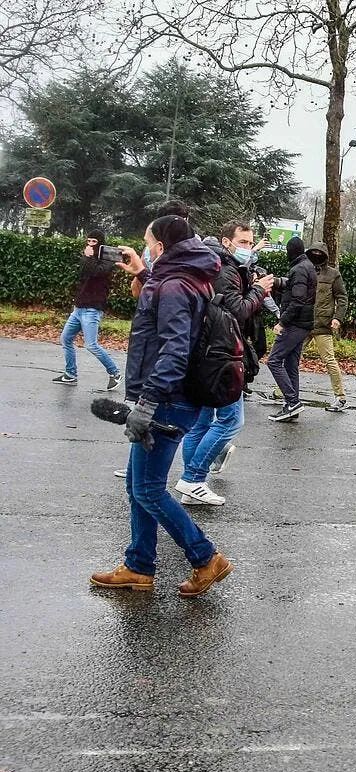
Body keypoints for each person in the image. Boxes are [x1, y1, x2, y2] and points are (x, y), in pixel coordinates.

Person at [89, 214, 233, 597]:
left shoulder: (172, 285)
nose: (145, 247)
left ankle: (205, 558)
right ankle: (138, 565)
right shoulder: (188, 278)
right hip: (174, 397)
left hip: (167, 399)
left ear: (161, 247)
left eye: (147, 241)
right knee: (139, 486)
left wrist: (148, 403)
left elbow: (174, 349)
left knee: (149, 489)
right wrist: (142, 272)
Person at [175, 222, 274, 506]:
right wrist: (258, 290)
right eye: (242, 242)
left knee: (203, 422)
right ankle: (193, 478)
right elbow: (238, 311)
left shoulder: (214, 264)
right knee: (231, 421)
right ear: (226, 242)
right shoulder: (225, 269)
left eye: (250, 242)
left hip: (207, 352)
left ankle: (191, 486)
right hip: (222, 355)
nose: (247, 247)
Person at [52, 231, 133, 390]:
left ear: (101, 242)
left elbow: (98, 272)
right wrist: (87, 258)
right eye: (88, 240)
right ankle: (70, 374)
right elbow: (83, 273)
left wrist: (88, 257)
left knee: (91, 345)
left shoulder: (108, 258)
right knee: (66, 339)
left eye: (94, 241)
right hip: (79, 307)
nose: (90, 244)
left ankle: (115, 373)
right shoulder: (87, 257)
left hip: (92, 308)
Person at [266, 238, 316, 422]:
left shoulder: (300, 268)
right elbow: (296, 288)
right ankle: (291, 406)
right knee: (290, 365)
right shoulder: (305, 266)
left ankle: (292, 401)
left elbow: (298, 300)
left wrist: (282, 323)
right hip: (303, 324)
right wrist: (278, 282)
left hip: (294, 324)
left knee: (274, 360)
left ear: (290, 251)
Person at [307, 242, 349, 412]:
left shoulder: (333, 274)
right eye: (313, 252)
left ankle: (340, 397)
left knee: (329, 360)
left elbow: (342, 298)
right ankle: (281, 392)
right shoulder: (306, 270)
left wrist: (337, 318)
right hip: (304, 322)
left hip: (323, 325)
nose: (316, 255)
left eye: (319, 252)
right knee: (291, 357)